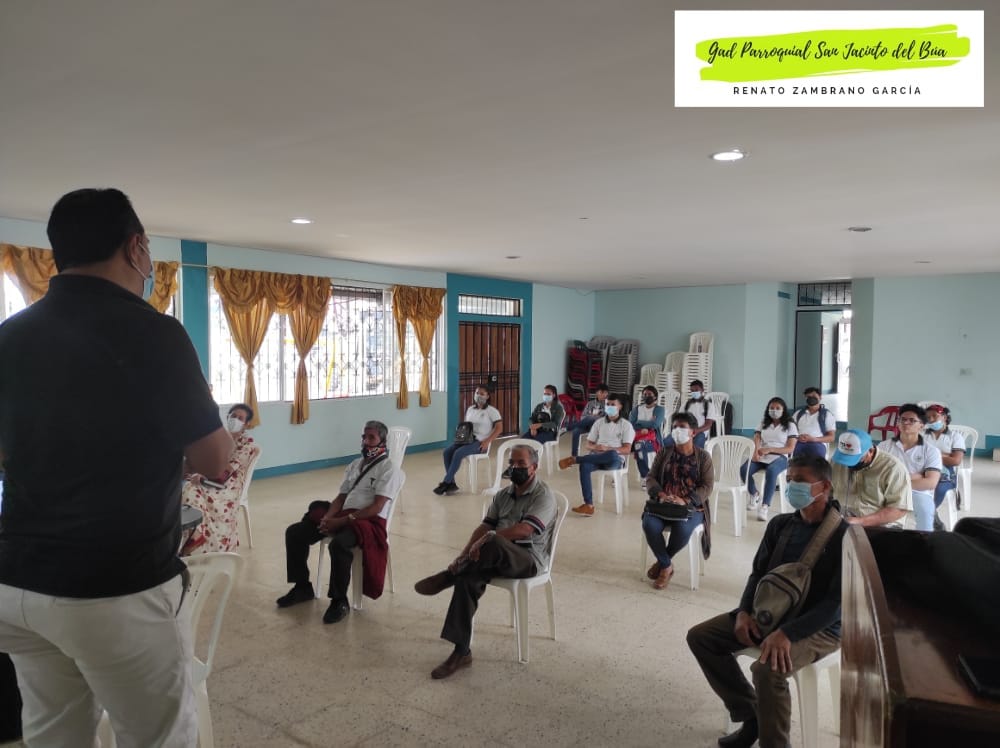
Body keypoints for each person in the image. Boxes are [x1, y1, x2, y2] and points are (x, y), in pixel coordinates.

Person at [0, 188, 234, 746]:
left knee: (53, 733)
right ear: (135, 247)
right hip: (112, 587)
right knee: (158, 736)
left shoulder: (10, 335)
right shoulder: (154, 333)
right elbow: (217, 460)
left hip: (17, 582)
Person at [687, 455, 847, 748]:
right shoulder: (781, 525)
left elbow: (837, 604)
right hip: (772, 612)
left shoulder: (844, 535)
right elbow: (758, 573)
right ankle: (751, 715)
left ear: (824, 486)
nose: (792, 486)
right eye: (790, 480)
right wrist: (744, 612)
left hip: (820, 627)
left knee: (767, 670)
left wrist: (788, 633)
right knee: (701, 637)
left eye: (801, 481)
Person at [414, 444, 557, 679]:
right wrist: (463, 555)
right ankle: (462, 651)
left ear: (534, 467)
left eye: (521, 463)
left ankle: (450, 576)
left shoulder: (543, 495)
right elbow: (484, 526)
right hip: (494, 555)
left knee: (493, 541)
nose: (515, 467)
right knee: (468, 579)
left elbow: (524, 530)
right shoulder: (503, 495)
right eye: (512, 463)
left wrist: (487, 539)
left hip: (528, 559)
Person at [277, 421, 403, 623]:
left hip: (366, 521)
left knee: (339, 544)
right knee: (295, 533)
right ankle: (302, 588)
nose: (366, 441)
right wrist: (328, 517)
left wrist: (342, 521)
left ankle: (339, 600)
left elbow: (376, 507)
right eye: (364, 437)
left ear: (382, 441)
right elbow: (341, 497)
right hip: (343, 514)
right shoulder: (355, 465)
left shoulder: (389, 469)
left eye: (371, 437)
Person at [642, 412, 714, 589]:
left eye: (682, 427)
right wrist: (660, 494)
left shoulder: (703, 457)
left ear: (693, 432)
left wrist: (686, 500)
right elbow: (651, 477)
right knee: (649, 525)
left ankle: (662, 563)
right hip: (663, 503)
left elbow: (707, 486)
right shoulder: (664, 452)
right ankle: (667, 566)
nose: (677, 430)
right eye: (674, 427)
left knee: (682, 529)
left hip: (691, 507)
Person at [181, 403, 260, 554]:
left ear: (246, 424)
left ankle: (196, 537)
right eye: (233, 416)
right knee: (178, 488)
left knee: (190, 489)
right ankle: (189, 536)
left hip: (227, 486)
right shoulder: (220, 439)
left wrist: (203, 478)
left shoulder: (247, 445)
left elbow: (226, 473)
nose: (235, 420)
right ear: (227, 417)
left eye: (240, 418)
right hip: (209, 477)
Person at [558, 395, 635, 516]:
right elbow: (588, 445)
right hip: (596, 457)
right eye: (607, 404)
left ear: (620, 407)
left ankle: (576, 459)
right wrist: (596, 447)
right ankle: (588, 505)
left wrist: (608, 449)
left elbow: (627, 449)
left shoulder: (626, 425)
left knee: (612, 454)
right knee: (585, 466)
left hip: (614, 460)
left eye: (613, 405)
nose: (609, 407)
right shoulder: (599, 422)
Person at [876, 403, 941, 532]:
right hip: (887, 491)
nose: (906, 423)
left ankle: (925, 541)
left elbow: (930, 482)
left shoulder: (931, 451)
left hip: (917, 492)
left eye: (912, 420)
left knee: (925, 515)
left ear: (921, 425)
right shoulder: (883, 447)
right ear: (898, 423)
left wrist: (898, 481)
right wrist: (915, 477)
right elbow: (877, 474)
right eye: (903, 419)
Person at [831, 428, 912, 528]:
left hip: (882, 525)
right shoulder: (837, 462)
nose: (849, 464)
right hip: (845, 520)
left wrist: (861, 521)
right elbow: (827, 491)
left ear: (870, 450)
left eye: (855, 459)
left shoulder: (893, 468)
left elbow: (899, 509)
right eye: (845, 458)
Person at [434, 385, 502, 495]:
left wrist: (487, 441)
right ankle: (452, 484)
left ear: (487, 396)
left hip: (480, 442)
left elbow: (499, 429)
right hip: (466, 440)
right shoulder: (470, 409)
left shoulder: (492, 411)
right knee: (447, 452)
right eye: (477, 393)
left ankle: (446, 482)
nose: (478, 395)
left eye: (482, 394)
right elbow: (466, 426)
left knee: (458, 453)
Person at [740, 397, 798, 523]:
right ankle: (754, 494)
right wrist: (755, 452)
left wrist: (770, 449)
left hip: (781, 456)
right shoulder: (763, 422)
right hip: (762, 454)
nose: (774, 410)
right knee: (744, 469)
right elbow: (757, 437)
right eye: (772, 408)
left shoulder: (790, 425)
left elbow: (790, 448)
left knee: (771, 471)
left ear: (783, 410)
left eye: (777, 408)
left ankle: (765, 506)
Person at [923, 403, 966, 521]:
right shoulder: (922, 435)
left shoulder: (955, 437)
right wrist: (944, 455)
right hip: (923, 469)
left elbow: (955, 460)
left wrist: (931, 455)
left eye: (934, 416)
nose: (931, 419)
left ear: (944, 417)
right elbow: (916, 455)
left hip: (946, 474)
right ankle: (926, 513)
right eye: (928, 417)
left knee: (939, 489)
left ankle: (928, 514)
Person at [629, 385, 665, 488]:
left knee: (639, 446)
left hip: (652, 440)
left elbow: (655, 424)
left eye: (649, 394)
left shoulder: (659, 409)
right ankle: (617, 472)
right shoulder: (637, 409)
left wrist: (639, 422)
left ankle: (646, 477)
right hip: (634, 438)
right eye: (644, 394)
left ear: (655, 396)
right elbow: (631, 424)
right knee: (618, 444)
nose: (647, 396)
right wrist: (646, 425)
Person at [666, 379, 718, 449]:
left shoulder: (709, 405)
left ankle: (694, 456)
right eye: (692, 391)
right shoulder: (686, 404)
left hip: (700, 432)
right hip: (684, 430)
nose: (694, 392)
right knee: (667, 441)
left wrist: (695, 430)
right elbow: (679, 419)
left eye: (696, 390)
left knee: (695, 446)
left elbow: (708, 424)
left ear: (702, 390)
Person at [791, 386, 836, 458]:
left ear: (820, 397)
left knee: (816, 458)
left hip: (818, 443)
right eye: (808, 397)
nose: (811, 398)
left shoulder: (827, 415)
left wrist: (813, 439)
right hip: (799, 442)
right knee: (793, 455)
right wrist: (797, 437)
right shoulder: (798, 414)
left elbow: (831, 437)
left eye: (814, 396)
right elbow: (790, 431)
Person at [571, 383, 609, 456]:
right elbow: (583, 416)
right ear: (597, 393)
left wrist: (596, 417)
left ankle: (569, 427)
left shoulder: (608, 404)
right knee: (576, 431)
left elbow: (607, 418)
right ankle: (574, 456)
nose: (604, 395)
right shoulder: (590, 403)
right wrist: (591, 417)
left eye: (605, 393)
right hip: (588, 425)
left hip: (600, 427)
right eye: (601, 392)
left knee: (592, 418)